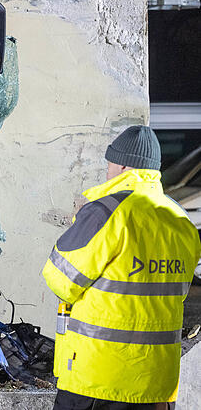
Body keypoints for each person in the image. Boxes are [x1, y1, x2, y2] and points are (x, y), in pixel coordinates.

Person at [42, 125, 201, 410]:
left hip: (99, 379)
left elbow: (60, 279)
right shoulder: (180, 219)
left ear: (124, 164)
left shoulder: (106, 211)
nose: (107, 169)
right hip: (157, 385)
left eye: (110, 161)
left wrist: (82, 223)